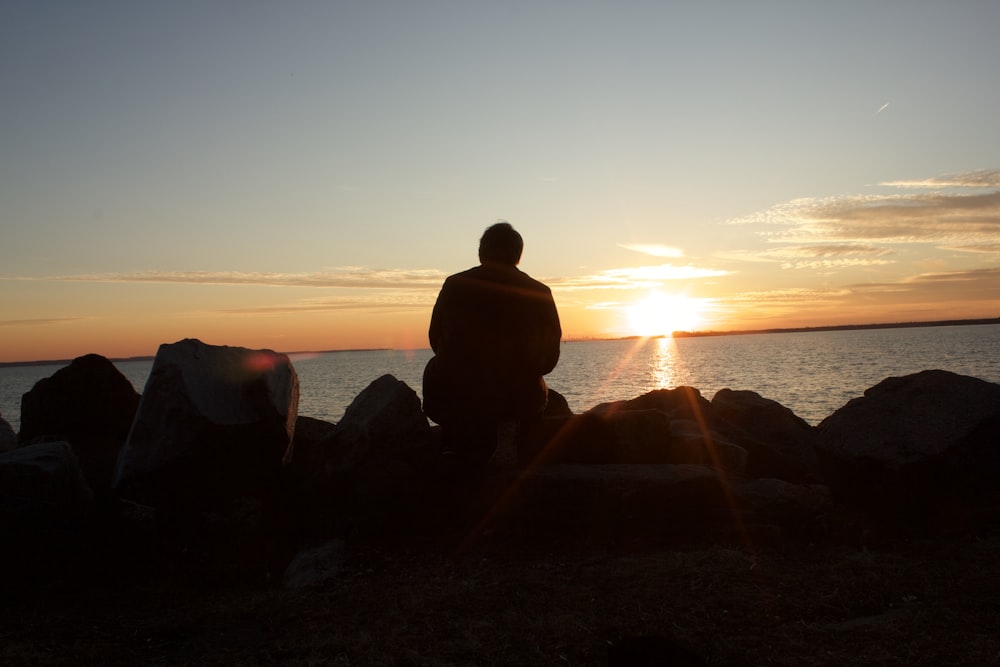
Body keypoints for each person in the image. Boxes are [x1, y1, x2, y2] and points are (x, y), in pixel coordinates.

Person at [422, 222, 561, 469]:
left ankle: (455, 441)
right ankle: (510, 428)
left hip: (459, 396)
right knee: (540, 390)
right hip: (518, 397)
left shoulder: (454, 285)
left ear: (481, 252)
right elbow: (549, 358)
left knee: (436, 369)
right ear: (518, 254)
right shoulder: (539, 292)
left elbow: (435, 339)